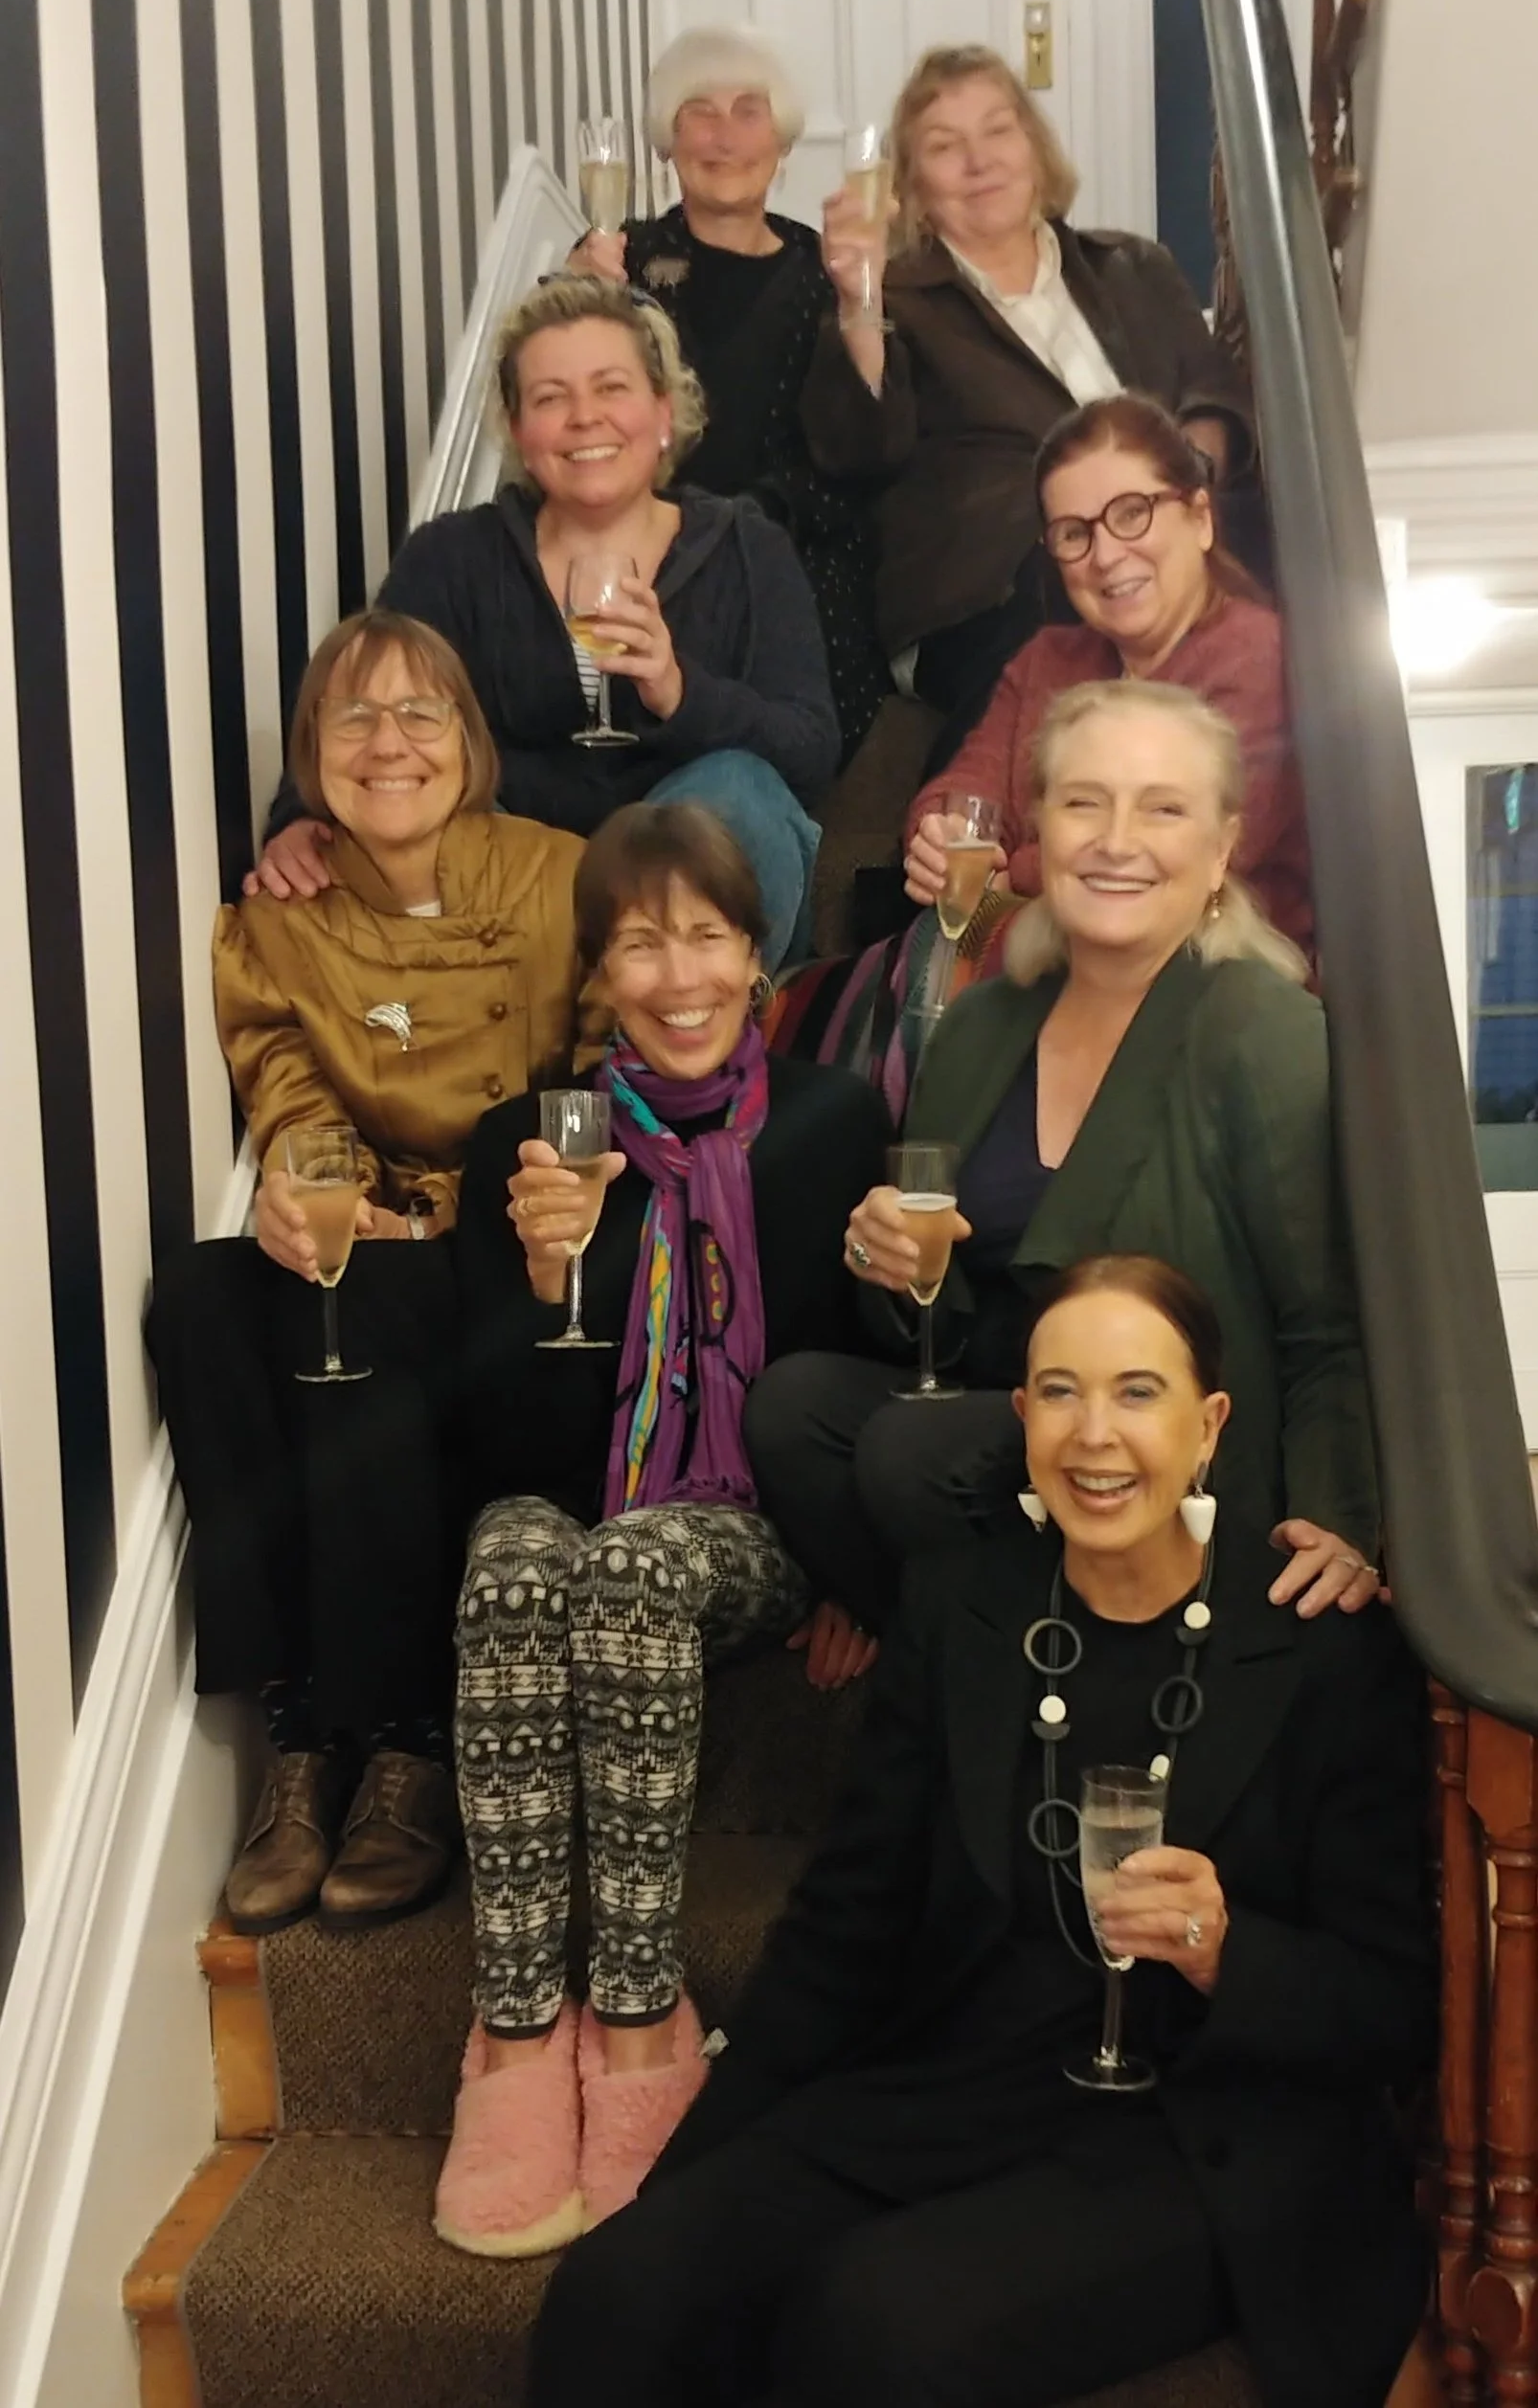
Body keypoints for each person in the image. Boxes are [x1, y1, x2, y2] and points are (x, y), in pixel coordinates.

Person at [529, 1255, 1433, 2408]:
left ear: (1208, 1424)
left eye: (1136, 1391)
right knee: (622, 2286)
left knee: (875, 2324)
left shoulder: (1316, 1642)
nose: (1093, 1433)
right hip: (956, 2086)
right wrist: (700, 2175)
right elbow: (844, 1922)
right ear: (1020, 1415)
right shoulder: (962, 1603)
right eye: (1059, 1390)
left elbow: (1394, 2004)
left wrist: (1225, 1947)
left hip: (1193, 2134)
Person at [433, 803, 890, 2260]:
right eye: (640, 940)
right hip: (574, 1502)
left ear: (756, 956)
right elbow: (497, 1446)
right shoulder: (528, 1141)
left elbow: (860, 1378)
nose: (677, 972)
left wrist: (863, 1569)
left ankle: (635, 2008)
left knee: (624, 1568)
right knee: (513, 1557)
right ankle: (515, 2026)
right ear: (599, 973)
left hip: (739, 1526)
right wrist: (542, 1272)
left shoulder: (828, 1121)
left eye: (706, 933)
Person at [746, 678, 1379, 1637]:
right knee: (794, 1409)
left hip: (1179, 1456)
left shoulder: (1264, 1027)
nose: (1116, 838)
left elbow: (1327, 1326)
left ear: (1220, 849)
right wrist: (901, 1265)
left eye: (1162, 807)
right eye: (1084, 800)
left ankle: (993, 1675)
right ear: (1038, 830)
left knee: (912, 1451)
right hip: (1010, 1422)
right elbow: (933, 1330)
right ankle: (973, 1663)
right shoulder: (980, 1023)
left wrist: (1341, 1522)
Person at [147, 611, 583, 1937]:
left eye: (419, 714)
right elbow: (284, 1084)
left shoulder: (562, 874)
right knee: (210, 1293)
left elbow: (610, 1067)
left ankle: (403, 1738)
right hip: (374, 1219)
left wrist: (504, 1199)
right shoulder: (279, 915)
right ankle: (298, 1735)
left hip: (522, 1238)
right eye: (354, 719)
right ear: (310, 756)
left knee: (363, 1301)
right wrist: (293, 1186)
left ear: (469, 741)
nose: (387, 743)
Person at [249, 278, 837, 973]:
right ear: (521, 434)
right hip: (517, 884)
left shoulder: (748, 548)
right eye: (551, 398)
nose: (585, 417)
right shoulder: (453, 557)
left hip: (701, 891)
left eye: (611, 388)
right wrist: (297, 818)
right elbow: (366, 702)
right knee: (440, 803)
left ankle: (680, 1061)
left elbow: (809, 751)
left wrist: (681, 695)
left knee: (739, 791)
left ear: (662, 410)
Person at [802, 44, 1254, 717]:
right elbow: (861, 449)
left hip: (1166, 560)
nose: (980, 161)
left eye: (997, 131)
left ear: (1034, 145)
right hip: (994, 592)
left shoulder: (1131, 265)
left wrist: (1177, 493)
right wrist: (861, 300)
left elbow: (1213, 396)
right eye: (945, 146)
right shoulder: (894, 302)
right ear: (911, 186)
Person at [569, 25, 887, 761]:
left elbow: (866, 452)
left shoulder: (824, 270)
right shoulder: (623, 262)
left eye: (749, 111)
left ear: (781, 142)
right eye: (698, 113)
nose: (724, 136)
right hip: (651, 557)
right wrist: (580, 301)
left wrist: (862, 301)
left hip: (795, 555)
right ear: (666, 143)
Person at [905, 392, 1312, 957]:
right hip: (1043, 970)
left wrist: (1010, 879)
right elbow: (966, 790)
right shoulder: (1047, 658)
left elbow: (1178, 855)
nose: (1105, 555)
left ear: (1200, 518)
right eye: (1075, 533)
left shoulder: (1265, 656)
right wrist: (938, 839)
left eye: (1131, 514)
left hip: (1209, 984)